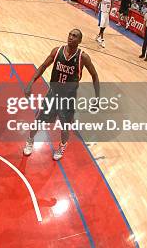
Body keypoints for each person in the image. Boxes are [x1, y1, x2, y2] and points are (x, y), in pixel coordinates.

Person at [23, 29, 100, 160]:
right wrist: (31, 82)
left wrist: (97, 98)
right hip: (53, 94)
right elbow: (42, 66)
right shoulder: (57, 51)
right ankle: (30, 140)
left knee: (65, 128)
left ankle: (62, 146)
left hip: (68, 98)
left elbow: (95, 75)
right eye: (69, 34)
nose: (70, 37)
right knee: (38, 121)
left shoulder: (83, 57)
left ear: (79, 41)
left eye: (74, 36)